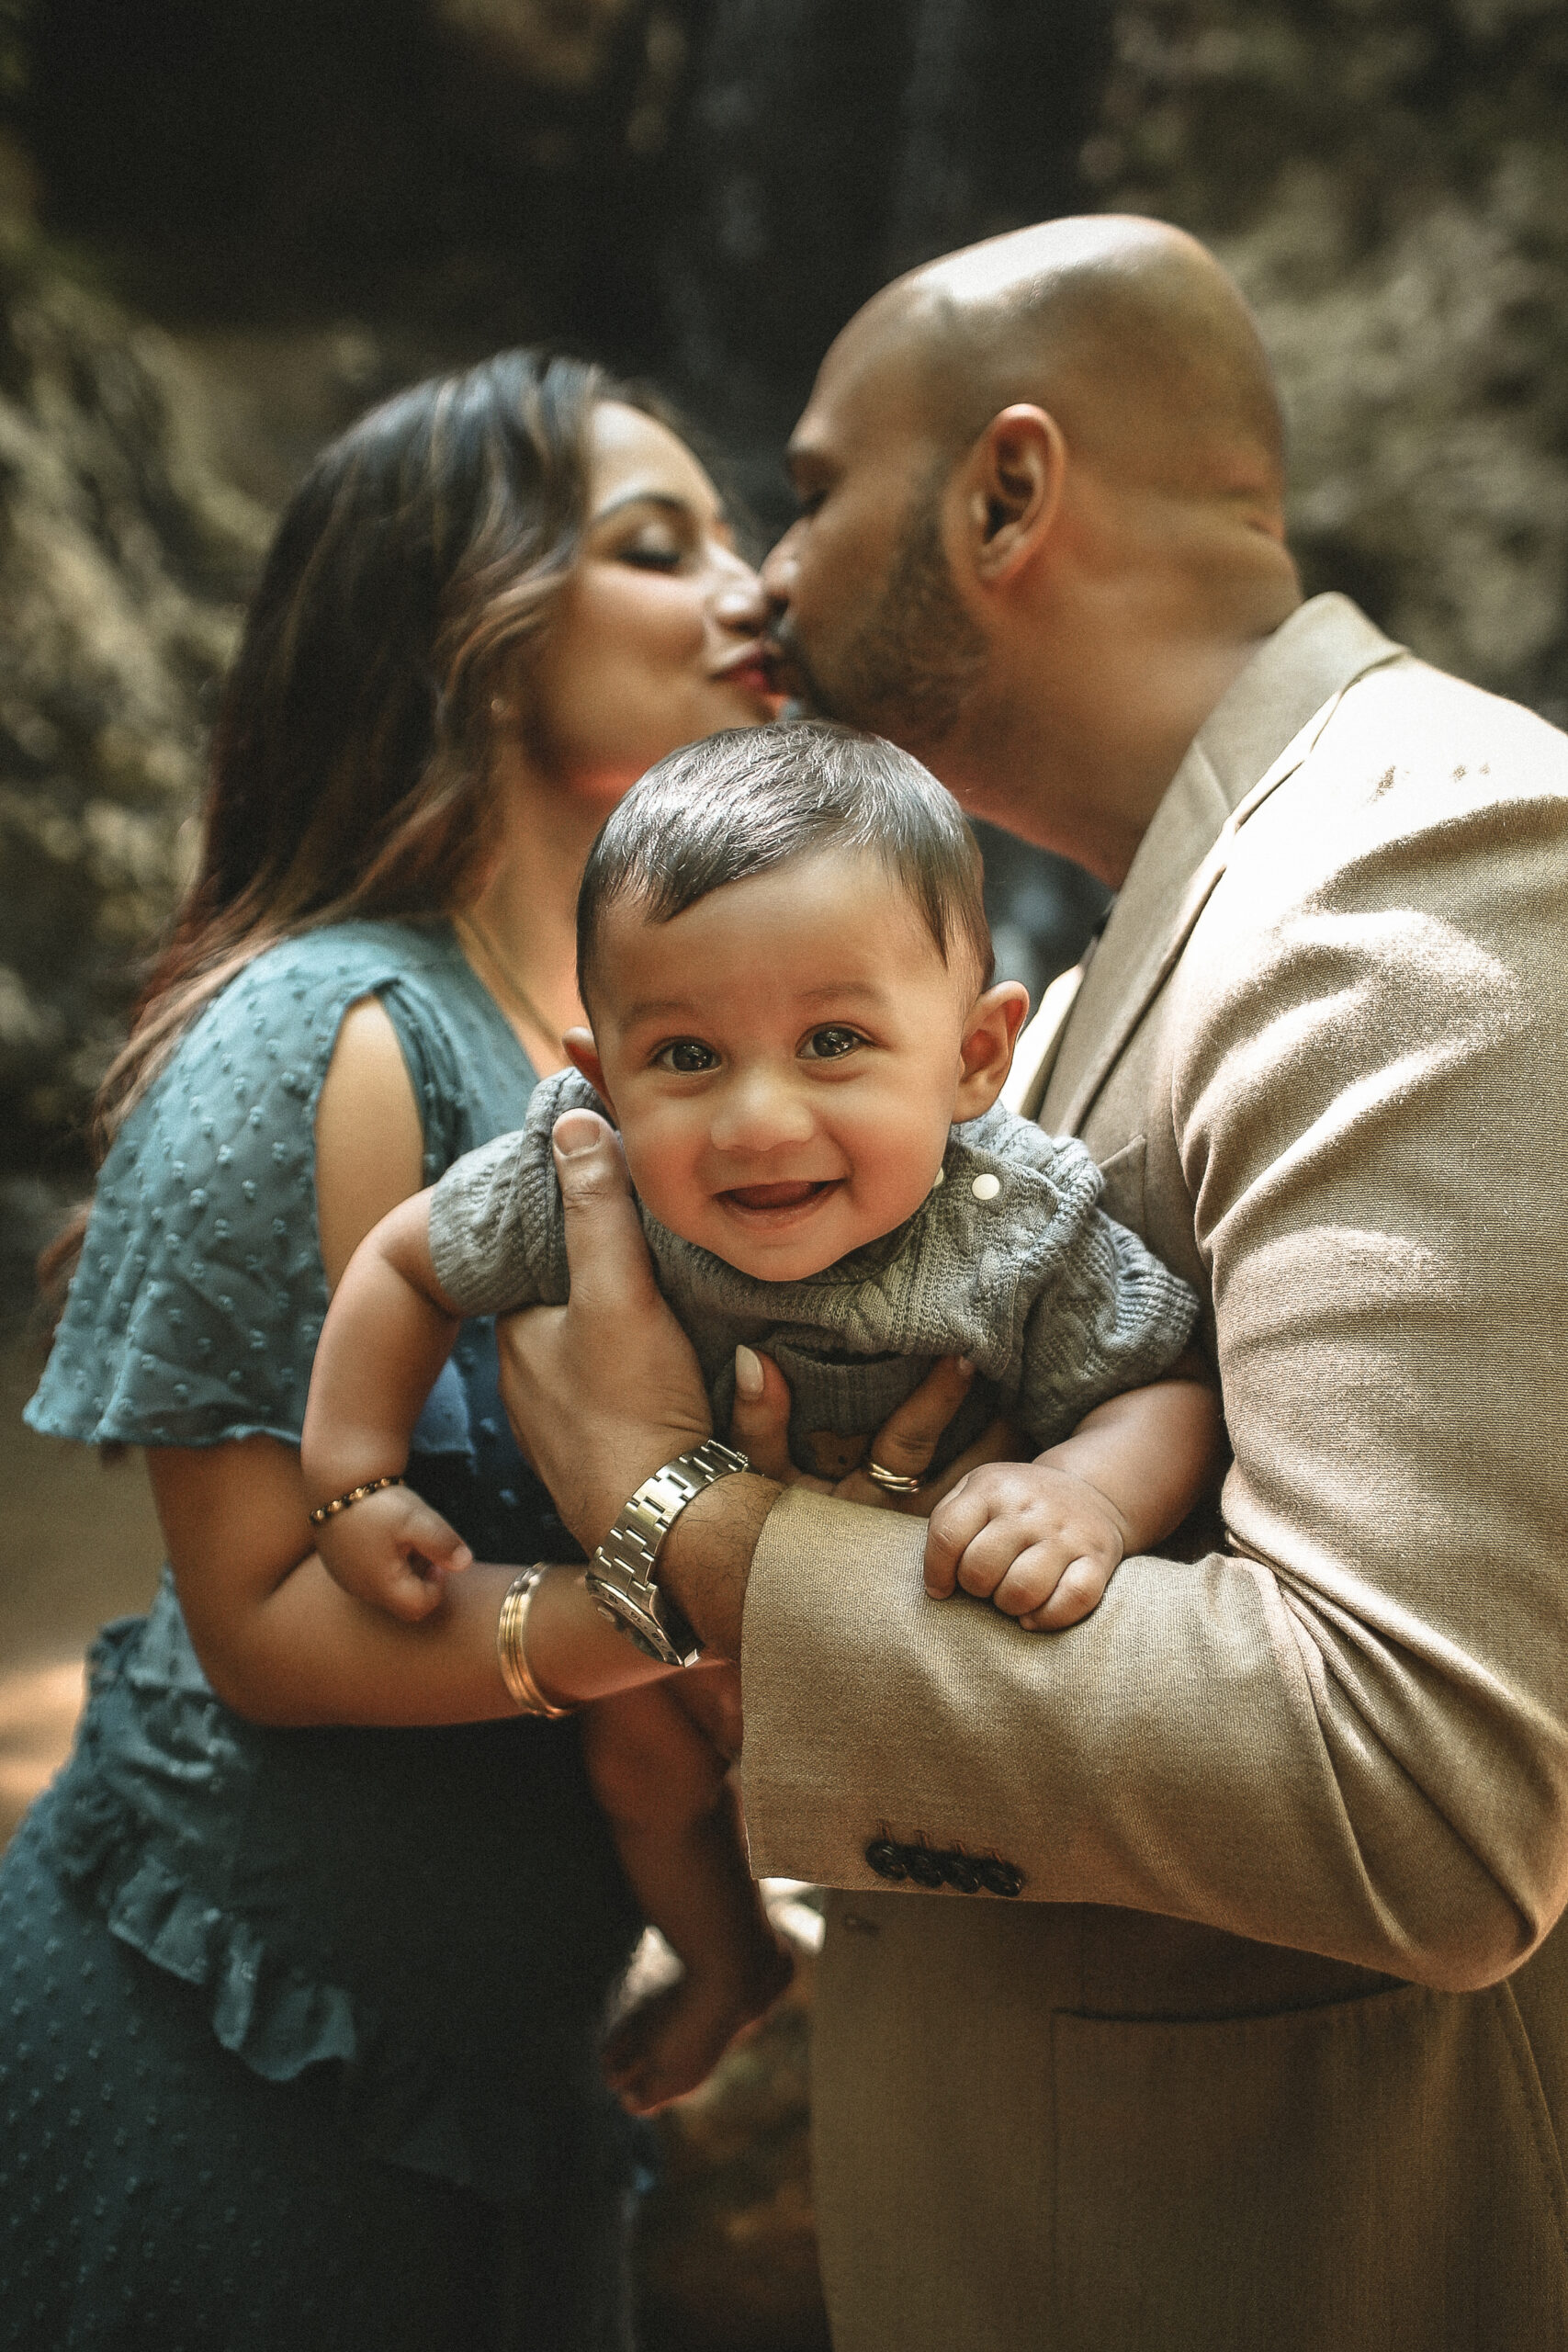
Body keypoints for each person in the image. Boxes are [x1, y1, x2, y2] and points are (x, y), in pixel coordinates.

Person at [491, 219, 1568, 2349]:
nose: (764, 585)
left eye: (804, 493)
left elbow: (1426, 1791)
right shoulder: (1057, 988)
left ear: (1003, 492)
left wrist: (687, 1526)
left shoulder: (1427, 865)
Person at [0, 347, 804, 2352]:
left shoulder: (617, 1039)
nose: (754, 588)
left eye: (731, 533)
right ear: (468, 627)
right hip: (237, 2034)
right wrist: (697, 1589)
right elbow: (268, 1614)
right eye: (656, 543)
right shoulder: (330, 1033)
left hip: (512, 2056)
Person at [298, 720, 1216, 2112]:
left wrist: (1088, 1493)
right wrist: (354, 1475)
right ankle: (727, 1964)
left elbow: (1167, 1384)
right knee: (641, 1761)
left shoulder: (1017, 1226)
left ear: (974, 1059)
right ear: (601, 1077)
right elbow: (404, 1261)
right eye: (687, 1056)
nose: (757, 1119)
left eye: (834, 1042)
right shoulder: (579, 1171)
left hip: (905, 1626)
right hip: (656, 1624)